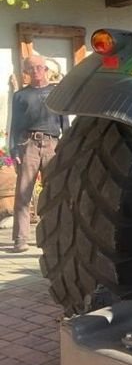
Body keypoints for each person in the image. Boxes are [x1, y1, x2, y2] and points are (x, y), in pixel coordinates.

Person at [7, 55, 64, 253]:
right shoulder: (20, 96)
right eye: (31, 69)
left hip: (52, 145)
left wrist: (65, 148)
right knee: (23, 193)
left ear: (46, 69)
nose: (36, 72)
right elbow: (14, 126)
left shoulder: (57, 92)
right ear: (26, 73)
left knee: (54, 192)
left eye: (40, 67)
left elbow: (65, 121)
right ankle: (20, 239)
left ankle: (55, 237)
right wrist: (14, 149)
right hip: (28, 144)